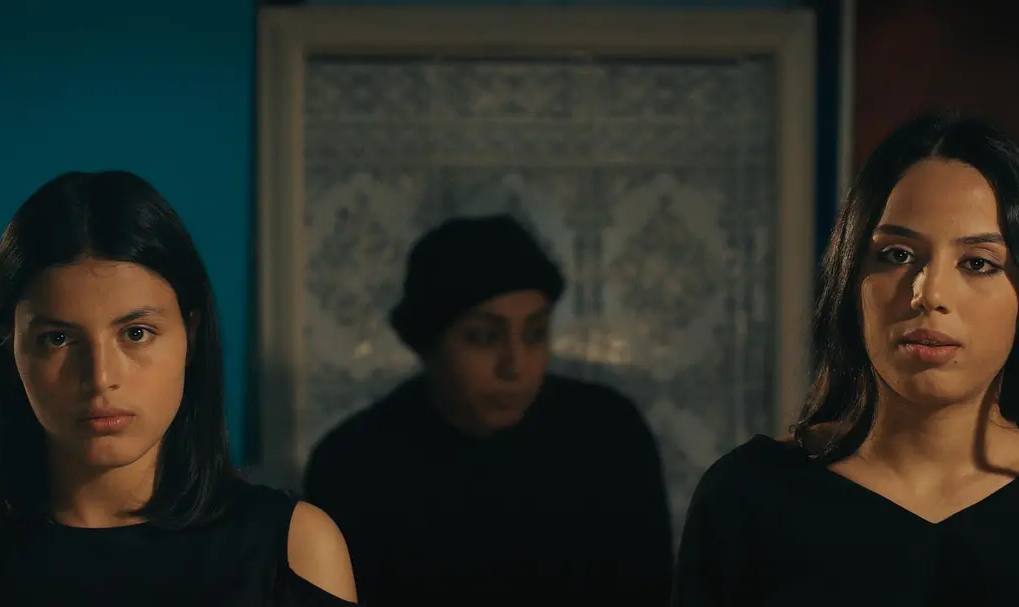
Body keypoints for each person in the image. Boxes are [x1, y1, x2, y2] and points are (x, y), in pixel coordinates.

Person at [671, 111, 1019, 606]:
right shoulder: (748, 496)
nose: (930, 293)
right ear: (850, 277)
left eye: (978, 263)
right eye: (897, 255)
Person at [0, 171, 358, 606]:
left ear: (190, 334)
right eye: (58, 339)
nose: (100, 377)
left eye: (136, 333)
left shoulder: (292, 549)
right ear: (10, 345)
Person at [304, 214, 673, 607]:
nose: (515, 365)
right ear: (428, 344)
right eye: (483, 337)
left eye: (535, 333)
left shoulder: (608, 436)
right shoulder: (354, 465)